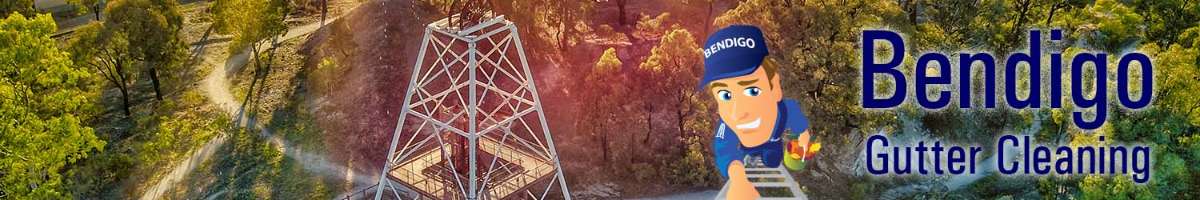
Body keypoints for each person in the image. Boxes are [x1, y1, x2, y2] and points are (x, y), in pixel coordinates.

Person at [700, 25, 811, 199]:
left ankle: (764, 156)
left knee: (772, 161)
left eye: (752, 91)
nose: (738, 113)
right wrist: (738, 180)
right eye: (725, 95)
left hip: (772, 144)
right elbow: (725, 151)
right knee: (745, 159)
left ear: (774, 87)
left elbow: (798, 122)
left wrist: (803, 137)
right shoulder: (726, 124)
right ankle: (751, 157)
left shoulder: (786, 109)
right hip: (746, 149)